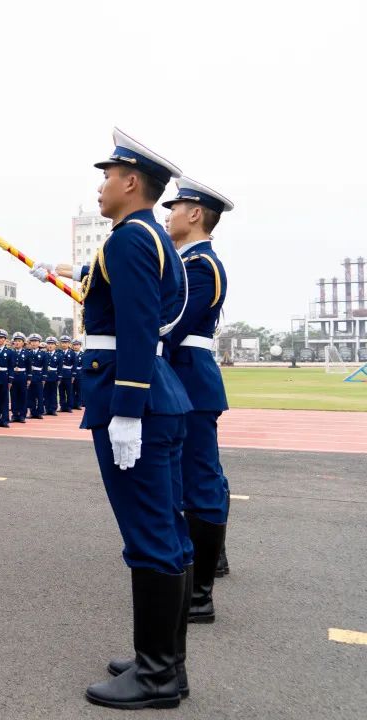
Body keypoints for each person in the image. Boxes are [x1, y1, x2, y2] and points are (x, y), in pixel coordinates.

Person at [31, 128, 192, 709]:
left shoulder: (128, 239)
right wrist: (66, 276)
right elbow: (127, 302)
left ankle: (156, 677)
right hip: (160, 395)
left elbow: (138, 325)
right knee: (167, 532)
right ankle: (165, 662)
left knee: (150, 538)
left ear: (131, 183)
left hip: (136, 402)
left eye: (106, 177)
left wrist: (125, 411)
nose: (100, 187)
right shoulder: (147, 238)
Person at [160, 177, 235, 624]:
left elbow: (173, 323)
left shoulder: (201, 266)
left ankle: (200, 596)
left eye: (175, 208)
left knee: (201, 483)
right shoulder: (187, 262)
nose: (168, 215)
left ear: (194, 214)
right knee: (196, 480)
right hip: (184, 380)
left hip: (190, 381)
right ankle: (208, 563)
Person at [9, 332, 30, 423]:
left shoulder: (27, 353)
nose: (17, 343)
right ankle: (14, 414)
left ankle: (22, 415)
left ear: (23, 343)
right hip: (13, 376)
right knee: (13, 396)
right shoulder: (11, 353)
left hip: (22, 376)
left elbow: (29, 367)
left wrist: (29, 379)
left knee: (23, 396)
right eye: (15, 341)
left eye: (19, 341)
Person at [26, 334, 47, 419]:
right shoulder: (27, 353)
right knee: (31, 395)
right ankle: (32, 411)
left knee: (39, 395)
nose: (34, 343)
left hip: (38, 376)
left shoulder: (43, 354)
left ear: (39, 343)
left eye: (36, 341)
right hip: (30, 377)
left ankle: (39, 412)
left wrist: (44, 378)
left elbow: (45, 367)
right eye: (32, 341)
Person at [42, 336, 61, 416]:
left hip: (54, 375)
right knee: (46, 393)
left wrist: (59, 377)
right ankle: (47, 408)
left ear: (55, 345)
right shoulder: (44, 354)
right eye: (49, 343)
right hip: (45, 376)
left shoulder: (59, 355)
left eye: (52, 344)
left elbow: (59, 368)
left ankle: (53, 409)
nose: (50, 345)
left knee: (53, 393)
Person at [58, 335, 76, 413]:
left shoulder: (72, 353)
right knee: (61, 391)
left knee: (69, 392)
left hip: (68, 375)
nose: (64, 344)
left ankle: (69, 407)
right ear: (60, 343)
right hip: (60, 375)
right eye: (63, 342)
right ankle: (62, 406)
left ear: (69, 344)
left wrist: (73, 375)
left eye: (66, 343)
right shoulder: (58, 352)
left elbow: (74, 364)